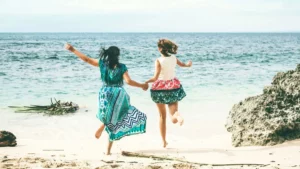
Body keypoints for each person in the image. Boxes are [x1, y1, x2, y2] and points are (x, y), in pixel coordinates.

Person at [65, 44, 148, 155]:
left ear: (107, 54)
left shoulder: (102, 64)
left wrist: (73, 50)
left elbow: (86, 59)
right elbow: (128, 81)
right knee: (118, 119)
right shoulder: (122, 67)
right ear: (118, 56)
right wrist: (142, 85)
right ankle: (107, 149)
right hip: (118, 94)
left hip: (104, 93)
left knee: (108, 117)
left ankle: (103, 125)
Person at [145, 39, 192, 148]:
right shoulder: (174, 58)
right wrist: (188, 65)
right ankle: (177, 116)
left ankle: (164, 141)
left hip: (160, 89)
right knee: (173, 114)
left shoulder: (158, 60)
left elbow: (155, 77)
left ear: (160, 49)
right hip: (172, 87)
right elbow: (183, 65)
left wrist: (145, 82)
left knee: (162, 116)